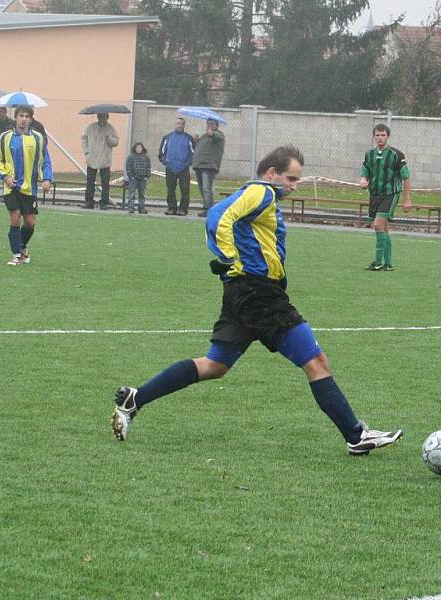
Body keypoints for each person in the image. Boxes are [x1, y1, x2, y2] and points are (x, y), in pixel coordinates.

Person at [111, 145, 403, 456]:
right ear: (271, 173)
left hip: (246, 293)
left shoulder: (264, 198)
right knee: (316, 363)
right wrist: (228, 258)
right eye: (290, 178)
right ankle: (356, 435)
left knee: (215, 365)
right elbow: (218, 215)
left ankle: (135, 399)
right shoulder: (261, 191)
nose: (294, 185)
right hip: (258, 295)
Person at [0, 105, 52, 266]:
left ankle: (23, 246)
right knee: (15, 217)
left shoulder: (38, 138)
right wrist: (5, 177)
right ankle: (16, 255)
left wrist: (47, 179)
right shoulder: (5, 137)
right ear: (16, 118)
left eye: (27, 116)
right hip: (11, 187)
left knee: (30, 222)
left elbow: (45, 160)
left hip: (30, 188)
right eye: (21, 116)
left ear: (31, 119)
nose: (24, 119)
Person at [360, 123, 411, 271]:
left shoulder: (397, 155)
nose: (380, 138)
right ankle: (388, 264)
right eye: (377, 135)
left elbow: (406, 177)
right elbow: (365, 172)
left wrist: (407, 199)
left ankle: (378, 262)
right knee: (384, 228)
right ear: (374, 137)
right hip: (375, 195)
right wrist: (364, 180)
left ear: (388, 136)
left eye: (383, 135)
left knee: (377, 225)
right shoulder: (369, 154)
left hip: (390, 194)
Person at [81, 113, 119, 210]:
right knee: (90, 181)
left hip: (105, 159)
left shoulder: (111, 128)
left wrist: (108, 137)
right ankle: (89, 202)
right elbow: (84, 139)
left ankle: (104, 203)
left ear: (107, 117)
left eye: (103, 117)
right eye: (99, 117)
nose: (101, 119)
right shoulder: (90, 127)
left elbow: (115, 143)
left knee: (105, 183)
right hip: (92, 158)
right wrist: (86, 152)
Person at [158, 117, 195, 216]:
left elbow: (193, 153)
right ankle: (171, 208)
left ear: (184, 125)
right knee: (170, 189)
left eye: (182, 124)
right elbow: (162, 152)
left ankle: (183, 209)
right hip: (170, 167)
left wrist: (187, 163)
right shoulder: (167, 137)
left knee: (185, 189)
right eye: (178, 123)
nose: (180, 125)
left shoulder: (189, 138)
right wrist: (166, 161)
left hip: (183, 168)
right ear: (175, 124)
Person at [192, 118, 226, 218]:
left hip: (209, 166)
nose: (210, 125)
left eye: (212, 124)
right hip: (199, 165)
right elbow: (199, 148)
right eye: (208, 124)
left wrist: (212, 134)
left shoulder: (219, 134)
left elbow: (218, 138)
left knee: (207, 188)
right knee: (202, 188)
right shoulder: (204, 136)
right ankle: (206, 205)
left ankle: (209, 208)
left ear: (217, 125)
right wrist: (197, 141)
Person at [0, 106, 14, 202]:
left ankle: (7, 194)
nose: (0, 113)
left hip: (7, 151)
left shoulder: (11, 123)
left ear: (5, 112)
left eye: (2, 111)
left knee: (8, 173)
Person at [125, 142, 151, 214]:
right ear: (134, 148)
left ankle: (141, 208)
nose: (138, 149)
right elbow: (128, 167)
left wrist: (147, 176)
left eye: (140, 147)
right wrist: (131, 176)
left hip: (143, 178)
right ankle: (131, 208)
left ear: (142, 148)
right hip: (133, 178)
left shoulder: (146, 157)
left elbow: (148, 167)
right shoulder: (131, 157)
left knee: (142, 194)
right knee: (131, 194)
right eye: (137, 147)